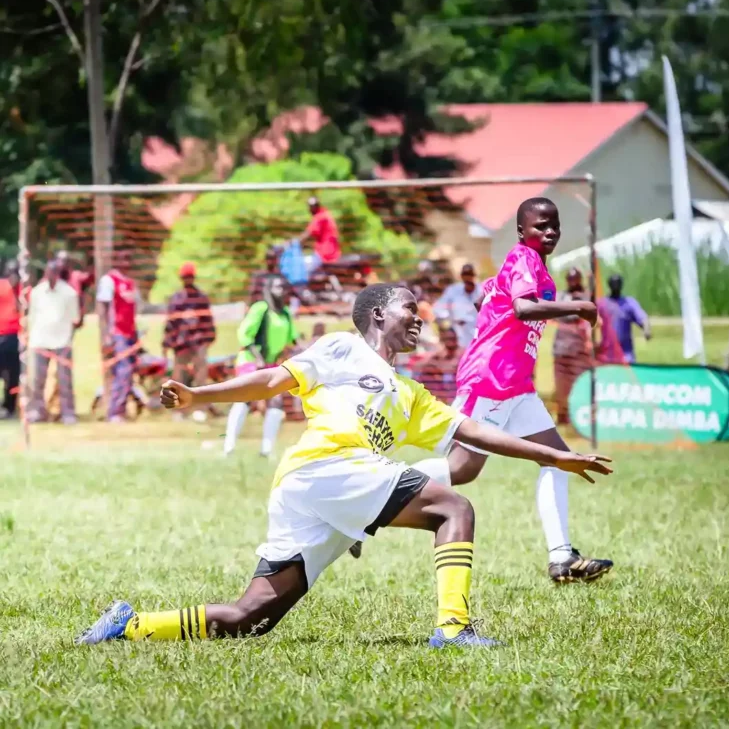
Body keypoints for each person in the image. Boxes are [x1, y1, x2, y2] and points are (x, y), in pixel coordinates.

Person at [74, 283, 612, 649]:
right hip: (323, 470)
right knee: (454, 508)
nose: (418, 316)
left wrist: (553, 454)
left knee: (251, 619)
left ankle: (130, 627)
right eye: (409, 307)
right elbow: (270, 380)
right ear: (378, 314)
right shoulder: (340, 350)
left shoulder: (409, 393)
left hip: (329, 493)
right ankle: (453, 629)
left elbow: (473, 433)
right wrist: (199, 395)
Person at [410, 197, 614, 584]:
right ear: (522, 231)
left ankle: (562, 558)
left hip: (516, 387)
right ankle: (373, 492)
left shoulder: (526, 265)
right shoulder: (523, 258)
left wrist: (492, 309)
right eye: (540, 226)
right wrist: (580, 306)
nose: (549, 231)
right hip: (491, 381)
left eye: (554, 225)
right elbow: (522, 308)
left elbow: (484, 296)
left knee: (559, 459)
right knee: (461, 471)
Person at [224, 274, 298, 457]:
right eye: (277, 287)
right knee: (245, 398)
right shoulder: (260, 309)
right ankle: (229, 447)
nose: (281, 291)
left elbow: (290, 341)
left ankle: (266, 451)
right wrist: (258, 359)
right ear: (268, 289)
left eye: (284, 287)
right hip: (251, 360)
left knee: (276, 403)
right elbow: (244, 335)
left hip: (271, 365)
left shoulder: (286, 314)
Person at [27, 259, 80, 424]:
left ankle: (68, 413)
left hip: (62, 341)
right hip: (40, 340)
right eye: (48, 272)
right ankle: (37, 411)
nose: (50, 276)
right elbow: (33, 316)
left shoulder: (69, 293)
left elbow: (75, 318)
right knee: (38, 379)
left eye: (53, 272)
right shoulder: (37, 292)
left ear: (58, 274)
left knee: (65, 380)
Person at [162, 262, 216, 419]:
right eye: (185, 277)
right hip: (181, 344)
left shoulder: (201, 297)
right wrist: (167, 342)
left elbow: (209, 321)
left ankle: (200, 408)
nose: (188, 280)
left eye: (190, 277)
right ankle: (179, 410)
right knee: (179, 376)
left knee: (201, 376)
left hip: (198, 343)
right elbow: (170, 323)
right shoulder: (176, 299)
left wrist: (208, 340)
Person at [96, 252, 142, 423]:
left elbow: (134, 309)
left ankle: (121, 408)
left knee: (129, 371)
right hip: (117, 333)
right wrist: (106, 334)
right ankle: (114, 411)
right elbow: (103, 308)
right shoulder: (109, 281)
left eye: (128, 258)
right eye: (122, 259)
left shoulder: (130, 283)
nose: (126, 262)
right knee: (123, 371)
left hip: (130, 333)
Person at [552, 268, 595, 426]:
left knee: (580, 386)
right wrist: (573, 306)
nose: (573, 283)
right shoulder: (562, 296)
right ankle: (563, 419)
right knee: (561, 387)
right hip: (561, 350)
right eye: (570, 280)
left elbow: (588, 308)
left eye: (575, 279)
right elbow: (561, 314)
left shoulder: (585, 296)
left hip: (579, 352)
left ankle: (580, 419)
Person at [597, 274, 651, 365]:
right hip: (606, 356)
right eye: (613, 284)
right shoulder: (601, 304)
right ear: (609, 285)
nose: (616, 286)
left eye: (618, 284)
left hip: (626, 355)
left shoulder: (629, 302)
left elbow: (642, 317)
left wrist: (646, 329)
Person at [412, 323, 463, 405]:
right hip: (440, 397)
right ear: (442, 339)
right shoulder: (437, 356)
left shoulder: (462, 354)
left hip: (457, 397)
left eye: (452, 339)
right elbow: (418, 365)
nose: (450, 342)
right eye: (447, 339)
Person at [434, 264, 483, 348]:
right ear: (461, 276)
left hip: (479, 331)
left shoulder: (482, 290)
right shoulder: (453, 290)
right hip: (458, 331)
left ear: (474, 276)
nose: (467, 277)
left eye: (470, 274)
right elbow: (438, 308)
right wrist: (450, 319)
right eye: (465, 275)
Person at [297, 196, 341, 274]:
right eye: (310, 206)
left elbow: (308, 233)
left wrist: (294, 242)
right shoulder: (325, 213)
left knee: (303, 270)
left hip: (325, 253)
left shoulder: (320, 217)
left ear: (317, 206)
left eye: (312, 206)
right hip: (330, 251)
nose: (310, 209)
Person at [0, 261, 20, 420]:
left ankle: (10, 406)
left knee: (12, 375)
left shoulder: (22, 289)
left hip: (14, 336)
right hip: (2, 335)